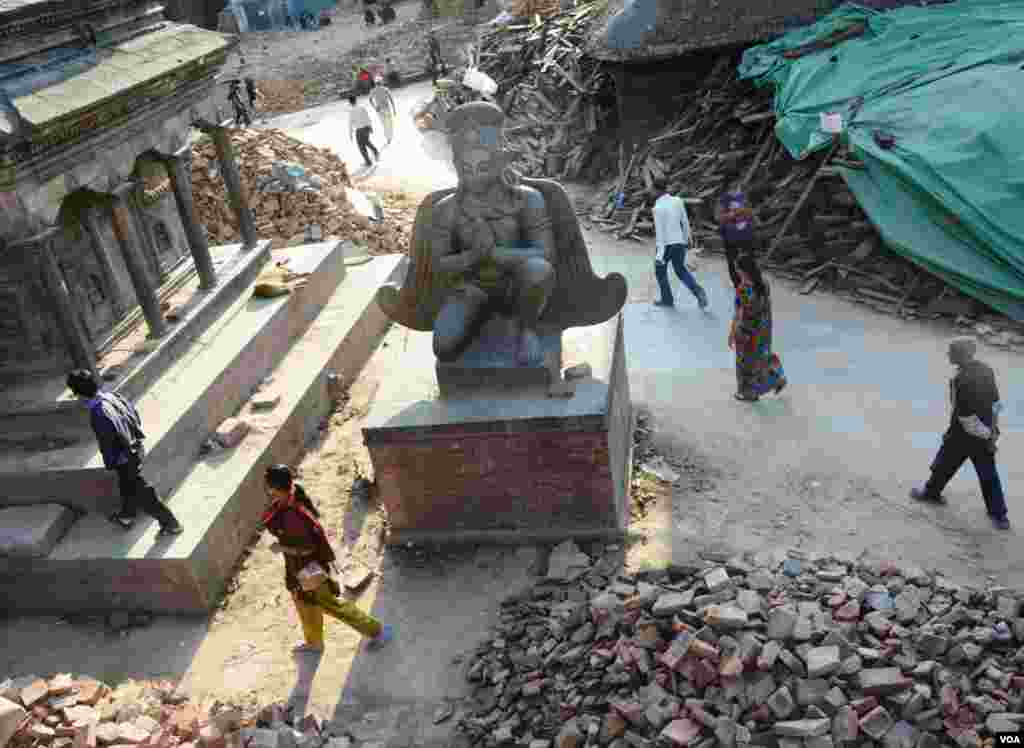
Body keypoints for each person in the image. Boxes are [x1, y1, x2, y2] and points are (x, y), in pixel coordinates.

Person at [262, 464, 394, 653]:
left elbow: (307, 548)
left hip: (308, 567)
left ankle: (378, 631)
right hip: (298, 568)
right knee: (304, 602)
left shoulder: (292, 515)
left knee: (331, 605)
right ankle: (314, 642)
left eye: (268, 486)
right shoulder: (291, 496)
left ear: (273, 488)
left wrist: (281, 547)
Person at [66, 369, 183, 536]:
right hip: (134, 448)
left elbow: (107, 441)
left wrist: (110, 462)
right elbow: (134, 415)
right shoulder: (112, 396)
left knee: (142, 492)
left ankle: (170, 523)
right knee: (126, 484)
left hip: (124, 457)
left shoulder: (98, 412)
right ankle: (127, 516)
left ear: (80, 394)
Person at [910, 338, 1009, 530]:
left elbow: (963, 415)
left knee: (944, 464)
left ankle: (931, 493)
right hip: (984, 431)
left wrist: (981, 435)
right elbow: (996, 402)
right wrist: (992, 431)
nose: (948, 354)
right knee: (988, 474)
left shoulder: (960, 380)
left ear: (961, 354)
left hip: (964, 434)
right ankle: (999, 515)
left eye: (951, 351)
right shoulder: (986, 370)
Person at [727, 252, 786, 401]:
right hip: (764, 328)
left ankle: (748, 392)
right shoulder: (764, 283)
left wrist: (733, 333)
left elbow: (740, 314)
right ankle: (776, 377)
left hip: (748, 331)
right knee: (762, 356)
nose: (737, 272)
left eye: (737, 269)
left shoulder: (743, 289)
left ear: (742, 271)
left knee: (745, 363)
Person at [652, 176, 707, 310]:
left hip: (666, 245)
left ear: (656, 190)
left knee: (660, 271)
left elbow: (660, 233)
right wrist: (688, 241)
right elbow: (685, 222)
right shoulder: (678, 201)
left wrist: (659, 254)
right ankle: (698, 291)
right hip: (679, 243)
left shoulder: (657, 208)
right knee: (680, 270)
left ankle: (667, 299)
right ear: (666, 188)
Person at [716, 169, 757, 257]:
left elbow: (749, 210)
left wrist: (747, 213)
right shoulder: (724, 197)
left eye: (738, 181)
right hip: (730, 224)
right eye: (734, 182)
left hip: (743, 223)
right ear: (729, 183)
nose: (737, 183)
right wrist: (732, 214)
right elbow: (719, 216)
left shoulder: (743, 195)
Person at [347, 95, 379, 168]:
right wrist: (370, 127)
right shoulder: (362, 107)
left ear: (350, 102)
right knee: (366, 142)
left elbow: (350, 123)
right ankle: (375, 152)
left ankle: (368, 161)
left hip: (359, 130)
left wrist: (350, 134)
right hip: (366, 128)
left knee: (361, 147)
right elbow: (367, 117)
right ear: (356, 100)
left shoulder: (351, 111)